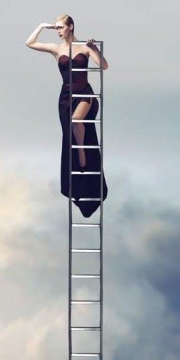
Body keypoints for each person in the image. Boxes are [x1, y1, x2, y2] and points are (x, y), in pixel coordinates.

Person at [25, 15, 109, 217]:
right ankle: (79, 164)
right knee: (70, 131)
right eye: (56, 28)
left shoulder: (85, 47)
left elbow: (104, 66)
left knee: (77, 121)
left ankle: (81, 153)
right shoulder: (57, 49)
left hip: (85, 93)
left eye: (60, 27)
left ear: (71, 26)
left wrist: (95, 49)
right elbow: (29, 43)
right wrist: (42, 26)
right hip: (65, 97)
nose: (58, 31)